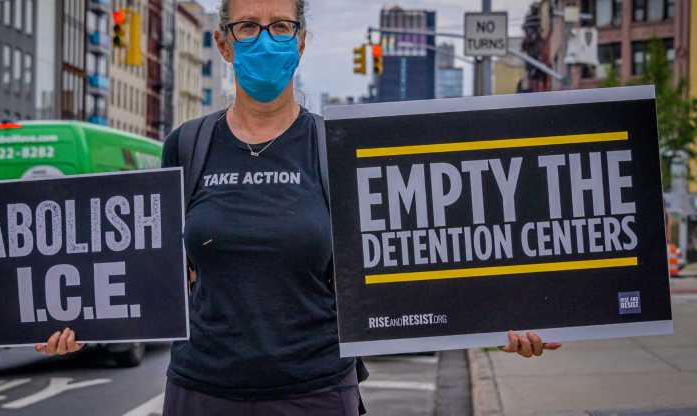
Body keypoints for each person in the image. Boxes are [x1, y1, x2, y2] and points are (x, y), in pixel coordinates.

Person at [36, 0, 562, 414]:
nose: (265, 40)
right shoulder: (186, 146)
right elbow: (149, 269)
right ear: (223, 43)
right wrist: (78, 317)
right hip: (202, 394)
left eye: (281, 26)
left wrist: (504, 315)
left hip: (315, 392)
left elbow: (414, 255)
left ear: (302, 41)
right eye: (247, 26)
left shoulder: (340, 148)